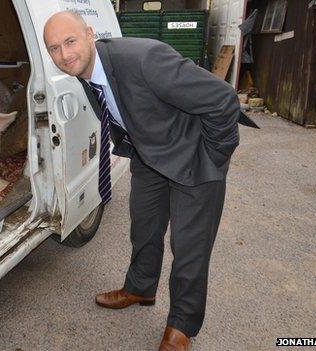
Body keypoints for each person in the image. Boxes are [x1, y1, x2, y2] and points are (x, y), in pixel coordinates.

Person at [43, 11, 241, 351]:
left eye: (70, 42)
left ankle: (182, 326)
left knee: (189, 249)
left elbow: (223, 99)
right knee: (144, 228)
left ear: (90, 34)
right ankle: (140, 288)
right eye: (54, 48)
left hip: (195, 158)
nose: (64, 55)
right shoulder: (82, 70)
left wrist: (213, 157)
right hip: (149, 156)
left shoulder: (145, 58)